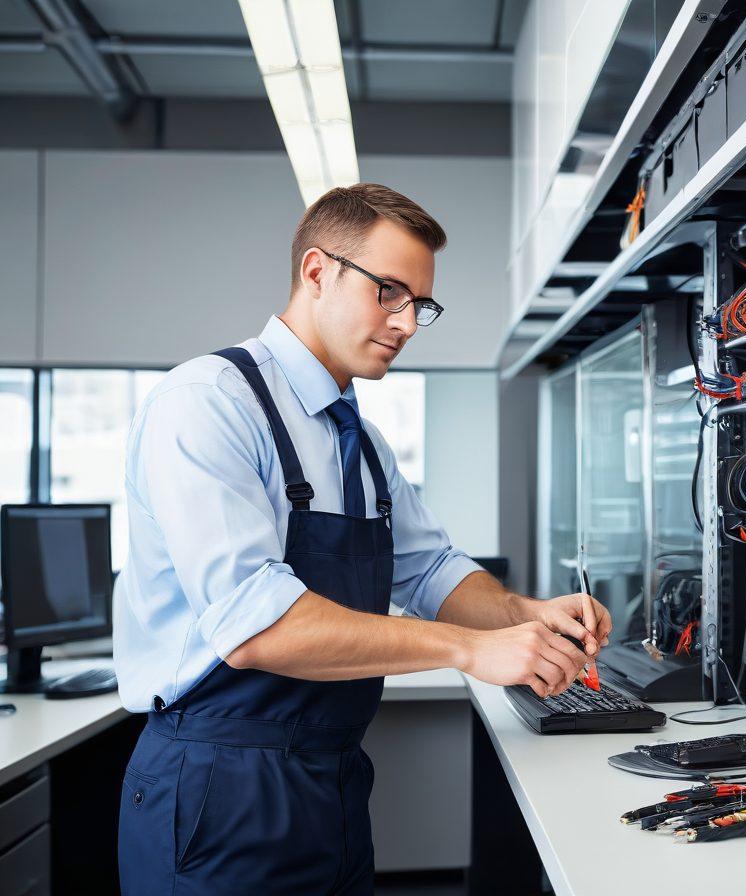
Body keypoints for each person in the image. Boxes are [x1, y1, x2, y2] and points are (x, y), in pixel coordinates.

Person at [113, 183, 611, 895]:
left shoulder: (361, 440)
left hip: (332, 777)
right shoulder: (207, 404)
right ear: (317, 272)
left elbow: (432, 569)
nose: (407, 323)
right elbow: (257, 626)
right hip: (220, 786)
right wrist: (472, 650)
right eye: (389, 292)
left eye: (420, 305)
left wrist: (528, 616)